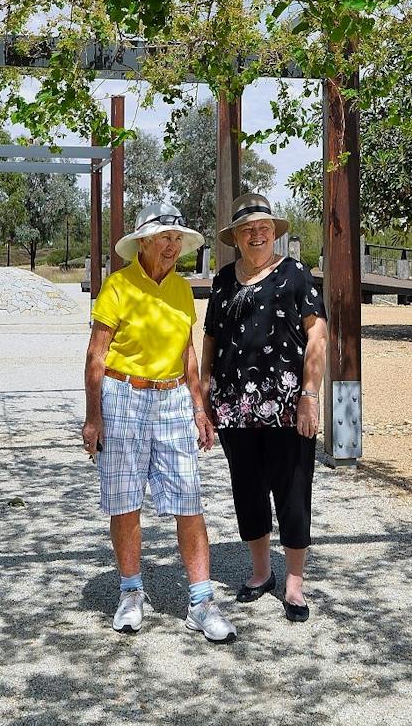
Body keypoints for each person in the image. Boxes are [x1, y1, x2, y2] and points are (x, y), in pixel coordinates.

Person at [83, 209, 237, 643]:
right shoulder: (117, 286)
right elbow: (96, 356)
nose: (171, 246)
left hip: (172, 397)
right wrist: (93, 415)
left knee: (189, 498)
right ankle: (131, 593)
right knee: (125, 498)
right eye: (162, 238)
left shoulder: (183, 290)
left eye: (176, 239)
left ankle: (202, 602)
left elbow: (188, 353)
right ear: (143, 244)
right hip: (123, 395)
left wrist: (199, 408)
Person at [201, 192, 327, 622]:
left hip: (288, 406)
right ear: (235, 237)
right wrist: (205, 393)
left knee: (292, 490)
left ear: (273, 233)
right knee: (247, 489)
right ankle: (261, 572)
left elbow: (318, 337)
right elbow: (211, 339)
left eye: (263, 228)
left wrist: (310, 395)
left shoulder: (296, 274)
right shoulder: (222, 280)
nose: (256, 235)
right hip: (234, 406)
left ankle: (294, 582)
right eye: (247, 230)